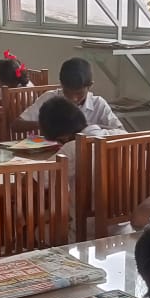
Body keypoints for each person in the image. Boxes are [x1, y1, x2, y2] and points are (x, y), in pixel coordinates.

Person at [38, 96, 121, 238]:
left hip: (88, 234)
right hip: (128, 227)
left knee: (36, 231)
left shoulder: (73, 148)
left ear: (63, 137)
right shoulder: (122, 135)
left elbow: (37, 181)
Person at [11, 57, 123, 133]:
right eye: (67, 92)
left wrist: (91, 127)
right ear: (61, 84)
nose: (74, 99)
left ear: (90, 86)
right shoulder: (50, 99)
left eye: (79, 93)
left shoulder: (98, 104)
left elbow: (121, 132)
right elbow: (16, 125)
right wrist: (47, 124)